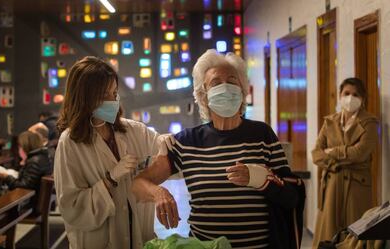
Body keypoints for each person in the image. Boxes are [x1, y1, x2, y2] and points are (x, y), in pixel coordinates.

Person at [132, 49, 305, 249]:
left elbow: (292, 197)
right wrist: (159, 193)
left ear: (242, 90)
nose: (225, 87)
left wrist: (261, 179)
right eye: (215, 83)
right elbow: (138, 184)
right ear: (203, 95)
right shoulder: (187, 141)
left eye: (232, 81)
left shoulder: (262, 135)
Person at [54, 56, 168, 249]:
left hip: (139, 237)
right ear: (83, 98)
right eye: (104, 95)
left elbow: (166, 148)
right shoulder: (70, 143)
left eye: (114, 93)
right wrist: (110, 179)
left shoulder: (134, 131)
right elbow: (72, 207)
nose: (112, 101)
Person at [311, 78, 379, 248]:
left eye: (355, 94)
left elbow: (360, 153)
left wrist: (333, 152)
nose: (350, 98)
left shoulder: (369, 122)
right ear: (340, 96)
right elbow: (316, 154)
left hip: (357, 186)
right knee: (329, 234)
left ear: (363, 98)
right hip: (332, 184)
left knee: (356, 234)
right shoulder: (330, 121)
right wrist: (336, 163)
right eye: (346, 93)